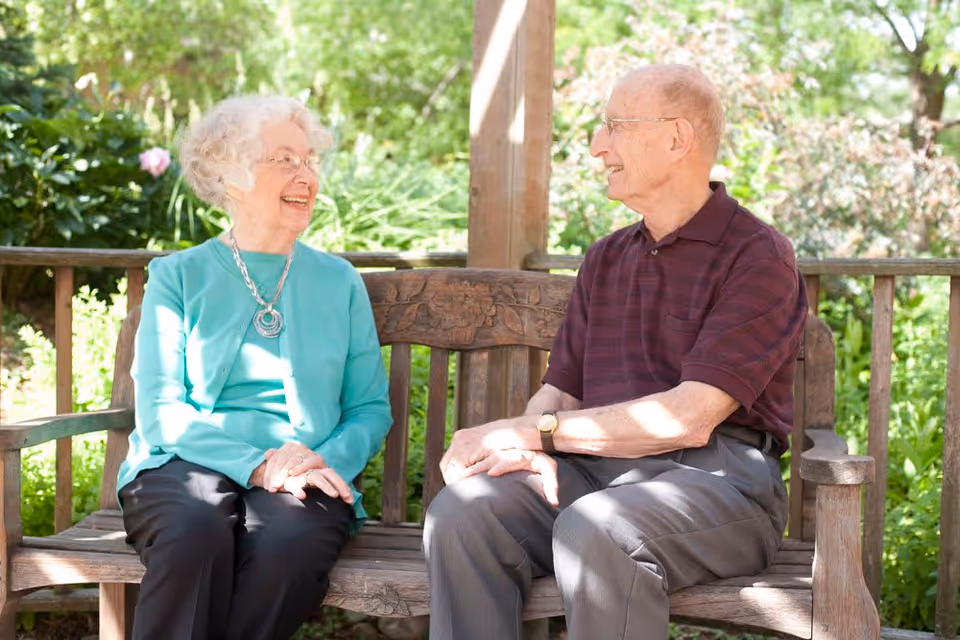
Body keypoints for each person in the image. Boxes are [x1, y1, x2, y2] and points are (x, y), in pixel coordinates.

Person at [425, 64, 808, 640]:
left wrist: (531, 433)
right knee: (462, 514)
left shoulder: (757, 256)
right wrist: (527, 452)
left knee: (598, 529)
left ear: (677, 138)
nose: (596, 146)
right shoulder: (606, 258)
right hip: (596, 477)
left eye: (614, 127)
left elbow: (688, 417)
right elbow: (559, 391)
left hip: (720, 487)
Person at [116, 96, 392, 640]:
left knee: (287, 547)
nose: (305, 175)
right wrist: (261, 466)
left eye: (310, 160)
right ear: (231, 175)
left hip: (305, 473)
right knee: (194, 531)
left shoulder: (339, 282)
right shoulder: (178, 277)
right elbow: (161, 413)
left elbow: (368, 409)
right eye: (285, 159)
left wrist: (318, 463)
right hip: (183, 460)